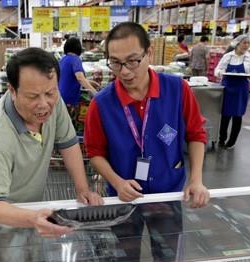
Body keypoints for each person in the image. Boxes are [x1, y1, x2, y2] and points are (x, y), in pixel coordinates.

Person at [0, 47, 103, 238]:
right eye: (33, 96)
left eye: (50, 93)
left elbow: (68, 143)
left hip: (31, 212)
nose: (44, 104)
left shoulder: (53, 102)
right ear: (12, 91)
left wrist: (83, 190)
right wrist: (33, 219)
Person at [84, 22, 210, 208]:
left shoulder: (178, 90)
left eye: (133, 60)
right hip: (124, 195)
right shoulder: (101, 104)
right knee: (127, 237)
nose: (124, 71)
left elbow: (196, 134)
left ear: (149, 53)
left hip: (168, 191)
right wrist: (117, 182)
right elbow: (95, 153)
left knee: (167, 236)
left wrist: (196, 180)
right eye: (116, 63)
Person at [214, 35, 250, 149]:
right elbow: (217, 70)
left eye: (248, 43)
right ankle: (222, 138)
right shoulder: (227, 56)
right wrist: (221, 72)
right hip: (227, 88)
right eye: (244, 43)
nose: (246, 45)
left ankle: (232, 142)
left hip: (241, 89)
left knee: (237, 116)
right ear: (237, 44)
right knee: (225, 115)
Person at [58, 37, 99, 126]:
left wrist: (91, 82)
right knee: (71, 126)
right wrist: (95, 93)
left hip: (60, 99)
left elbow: (71, 78)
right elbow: (80, 78)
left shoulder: (63, 60)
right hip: (70, 99)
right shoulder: (75, 59)